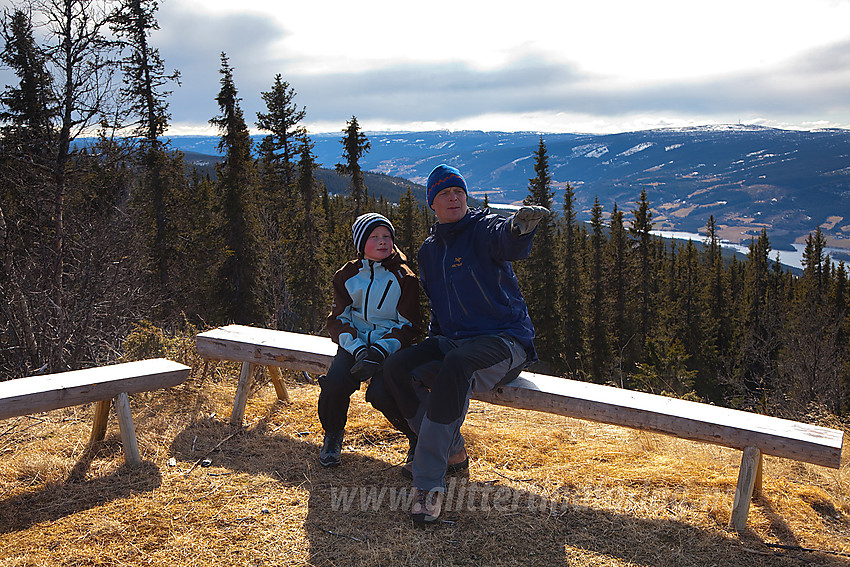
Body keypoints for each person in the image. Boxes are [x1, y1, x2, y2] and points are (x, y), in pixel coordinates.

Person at [384, 164, 549, 524]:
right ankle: (454, 450)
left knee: (457, 364)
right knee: (397, 368)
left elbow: (504, 239)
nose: (453, 197)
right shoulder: (430, 251)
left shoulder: (482, 229)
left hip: (504, 342)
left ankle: (428, 485)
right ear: (433, 203)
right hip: (453, 341)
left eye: (458, 191)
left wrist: (518, 229)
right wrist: (430, 346)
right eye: (444, 193)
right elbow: (439, 306)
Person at [320, 212, 422, 468]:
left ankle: (416, 437)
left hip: (390, 346)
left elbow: (409, 325)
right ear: (361, 243)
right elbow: (337, 319)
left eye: (387, 236)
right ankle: (332, 435)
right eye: (374, 236)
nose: (382, 241)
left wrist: (379, 350)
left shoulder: (404, 278)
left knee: (382, 393)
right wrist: (357, 349)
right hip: (354, 344)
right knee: (335, 382)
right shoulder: (347, 275)